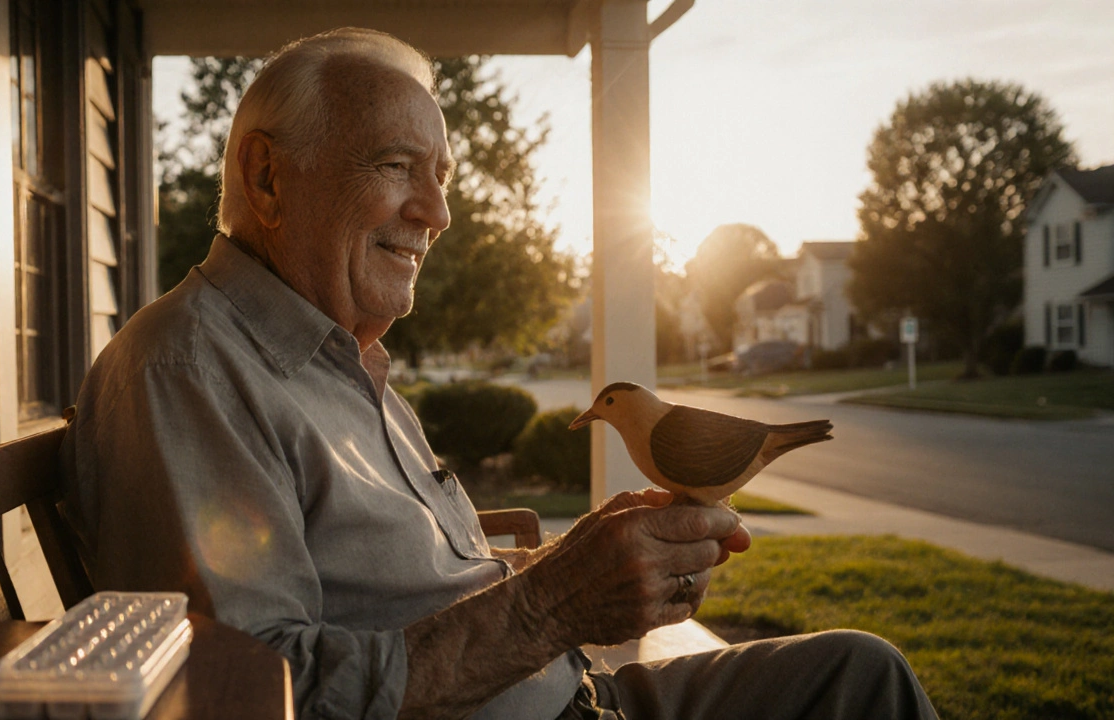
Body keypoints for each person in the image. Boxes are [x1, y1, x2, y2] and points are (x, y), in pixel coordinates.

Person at [62, 27, 939, 720]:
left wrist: (582, 567)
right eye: (397, 166)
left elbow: (409, 595)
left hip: (573, 695)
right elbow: (248, 691)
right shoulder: (188, 373)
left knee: (862, 674)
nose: (437, 212)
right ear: (267, 176)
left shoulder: (340, 362)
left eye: (441, 178)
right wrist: (551, 608)